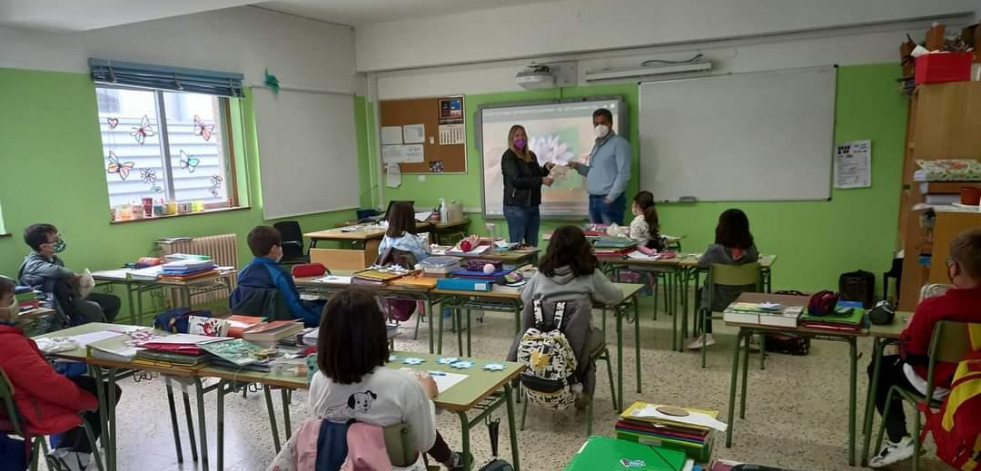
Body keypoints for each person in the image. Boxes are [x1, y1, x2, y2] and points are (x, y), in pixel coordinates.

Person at [308, 288, 466, 470]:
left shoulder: (318, 380)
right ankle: (455, 462)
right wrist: (427, 397)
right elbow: (425, 443)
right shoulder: (403, 385)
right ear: (378, 333)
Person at [868, 228, 981, 468]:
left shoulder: (933, 307)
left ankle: (900, 439)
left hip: (943, 385)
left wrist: (906, 334)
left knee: (880, 366)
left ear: (955, 268)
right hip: (976, 385)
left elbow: (912, 353)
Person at [0, 276, 121, 471]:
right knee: (105, 391)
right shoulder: (8, 343)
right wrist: (82, 399)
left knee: (89, 385)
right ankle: (73, 456)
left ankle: (66, 449)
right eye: (10, 299)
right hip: (29, 408)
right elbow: (49, 386)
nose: (16, 304)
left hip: (10, 406)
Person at [508, 225, 623, 405]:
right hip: (576, 344)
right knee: (595, 337)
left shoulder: (541, 273)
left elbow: (525, 298)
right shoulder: (590, 274)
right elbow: (615, 297)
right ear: (583, 247)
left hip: (539, 344)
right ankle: (581, 390)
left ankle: (519, 381)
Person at [19, 223, 120, 328]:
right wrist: (72, 274)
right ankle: (95, 333)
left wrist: (74, 282)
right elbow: (55, 271)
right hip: (53, 302)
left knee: (113, 301)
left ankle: (106, 327)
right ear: (43, 246)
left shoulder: (55, 259)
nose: (59, 241)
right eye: (55, 240)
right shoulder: (32, 263)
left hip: (68, 296)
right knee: (93, 309)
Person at [689, 209, 759, 350]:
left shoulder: (715, 250)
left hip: (717, 299)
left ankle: (706, 335)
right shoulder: (752, 249)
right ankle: (747, 337)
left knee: (701, 293)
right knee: (748, 293)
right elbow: (756, 259)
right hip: (745, 301)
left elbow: (702, 264)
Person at [230, 226, 323, 327]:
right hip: (281, 326)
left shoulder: (242, 273)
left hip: (249, 325)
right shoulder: (279, 274)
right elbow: (296, 309)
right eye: (280, 246)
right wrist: (321, 320)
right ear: (274, 249)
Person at [568, 108, 631, 226]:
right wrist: (577, 166)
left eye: (603, 123)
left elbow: (624, 174)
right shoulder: (596, 146)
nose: (599, 126)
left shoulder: (620, 144)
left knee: (612, 240)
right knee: (595, 238)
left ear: (610, 123)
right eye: (596, 124)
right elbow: (593, 171)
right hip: (593, 200)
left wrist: (611, 198)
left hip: (610, 201)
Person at [501, 124, 555, 246]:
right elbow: (517, 180)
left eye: (523, 135)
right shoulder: (509, 156)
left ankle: (533, 265)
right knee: (517, 246)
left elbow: (535, 173)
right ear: (511, 138)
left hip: (532, 205)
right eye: (517, 136)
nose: (521, 138)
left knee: (533, 246)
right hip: (516, 207)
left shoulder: (530, 155)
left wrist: (546, 168)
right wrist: (541, 180)